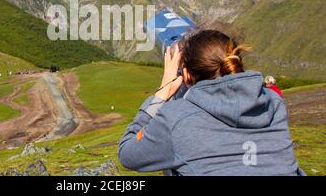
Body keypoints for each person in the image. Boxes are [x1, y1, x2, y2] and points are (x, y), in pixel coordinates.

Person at [118, 30, 304, 176]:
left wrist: (162, 94)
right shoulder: (274, 102)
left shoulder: (176, 117)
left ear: (187, 75)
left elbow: (127, 154)